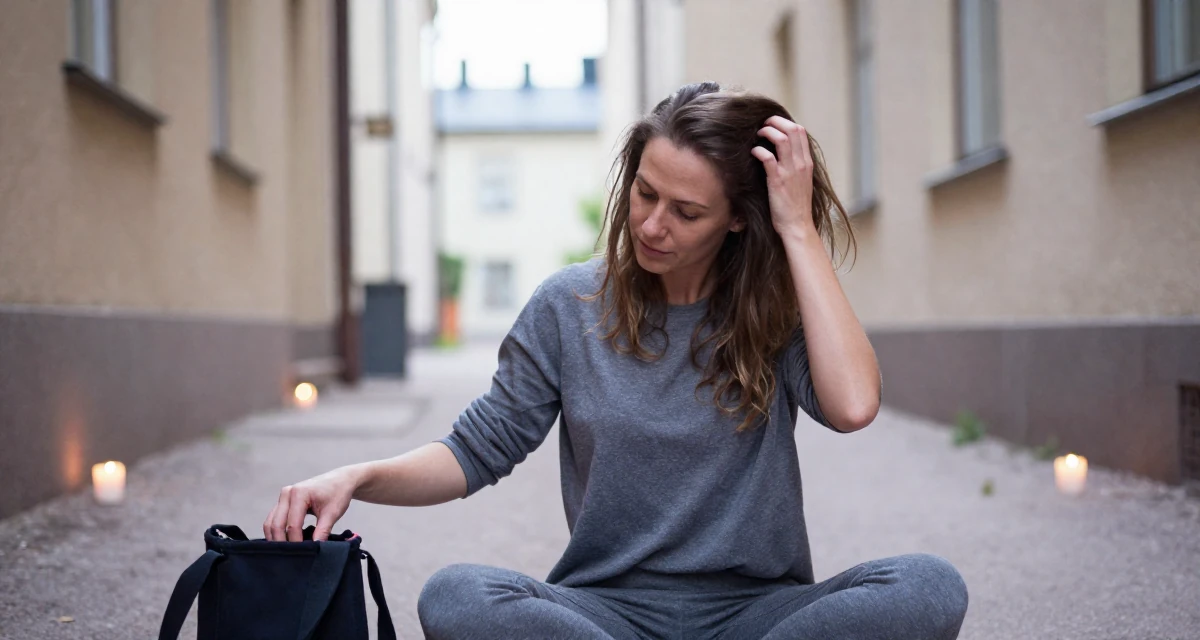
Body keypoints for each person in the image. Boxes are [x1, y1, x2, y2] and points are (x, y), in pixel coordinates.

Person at [264, 82, 969, 639]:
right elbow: (476, 450)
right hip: (605, 615)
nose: (653, 224)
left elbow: (852, 406)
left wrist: (795, 228)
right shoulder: (568, 306)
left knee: (929, 585)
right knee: (456, 595)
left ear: (736, 218)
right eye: (644, 192)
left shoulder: (775, 311)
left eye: (686, 212)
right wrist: (357, 476)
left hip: (761, 616)